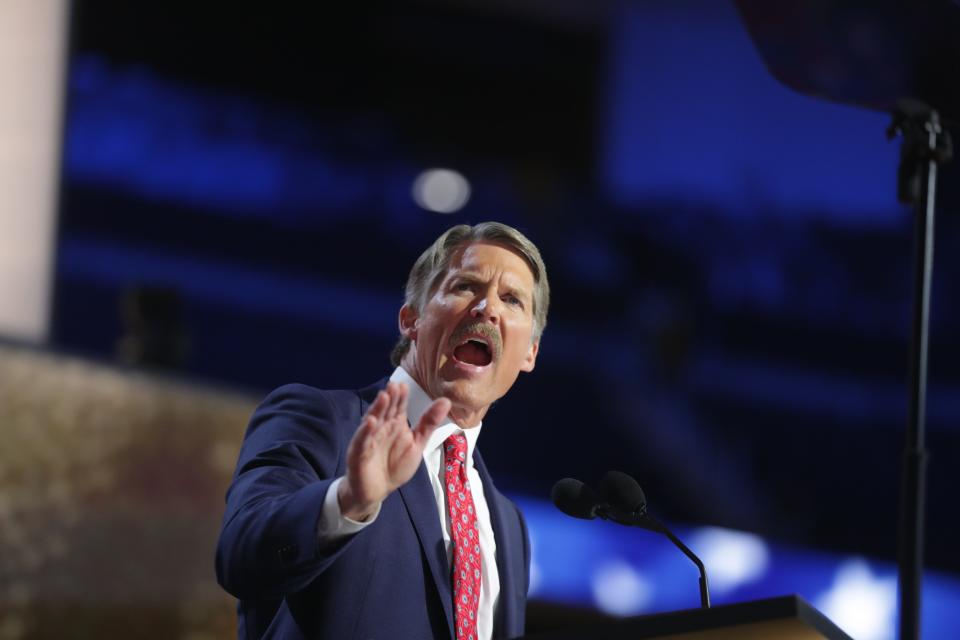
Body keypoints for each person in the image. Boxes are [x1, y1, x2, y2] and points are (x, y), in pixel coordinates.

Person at [216, 221, 549, 639]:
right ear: (411, 319)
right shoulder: (321, 419)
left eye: (512, 299)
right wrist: (349, 502)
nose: (488, 308)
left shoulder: (510, 524)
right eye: (466, 286)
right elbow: (240, 557)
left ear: (530, 353)